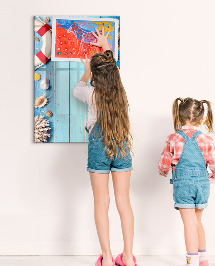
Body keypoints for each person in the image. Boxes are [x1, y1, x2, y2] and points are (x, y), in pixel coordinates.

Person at [73, 28, 136, 266]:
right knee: (124, 202)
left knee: (102, 203)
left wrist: (86, 71)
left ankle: (108, 258)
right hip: (121, 146)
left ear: (96, 78)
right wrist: (107, 46)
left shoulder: (91, 94)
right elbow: (113, 70)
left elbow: (76, 89)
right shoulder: (121, 93)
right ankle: (128, 257)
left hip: (99, 148)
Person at [158, 98, 215, 266]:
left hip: (183, 186)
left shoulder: (173, 138)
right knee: (197, 222)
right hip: (202, 185)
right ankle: (203, 260)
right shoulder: (206, 139)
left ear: (179, 117)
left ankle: (192, 261)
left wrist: (163, 171)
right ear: (201, 120)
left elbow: (163, 164)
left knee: (189, 224)